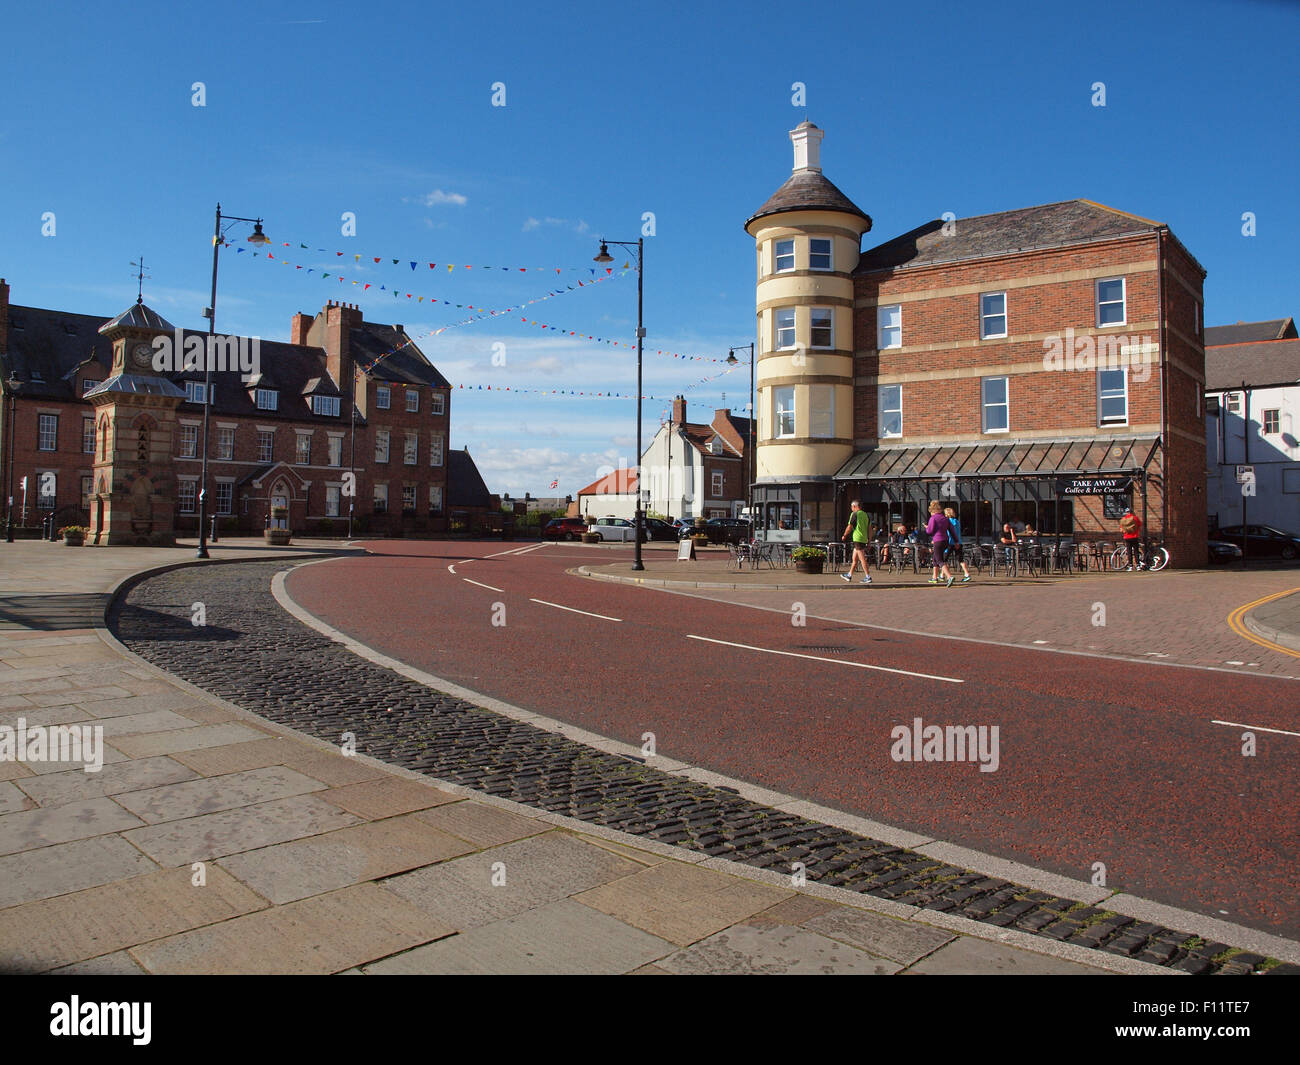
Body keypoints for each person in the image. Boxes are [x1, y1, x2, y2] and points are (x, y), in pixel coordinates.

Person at [840, 500, 873, 584]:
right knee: (854, 559)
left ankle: (868, 576)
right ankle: (849, 575)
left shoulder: (855, 514)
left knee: (862, 559)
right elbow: (869, 529)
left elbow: (850, 526)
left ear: (854, 506)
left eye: (851, 507)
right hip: (863, 539)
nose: (851, 509)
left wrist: (844, 535)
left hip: (857, 538)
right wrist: (869, 541)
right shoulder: (866, 515)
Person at [925, 501, 956, 587]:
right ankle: (934, 578)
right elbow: (952, 531)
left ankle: (949, 576)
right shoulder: (945, 518)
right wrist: (956, 541)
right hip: (946, 540)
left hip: (937, 540)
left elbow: (930, 531)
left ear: (932, 511)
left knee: (939, 560)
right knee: (935, 558)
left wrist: (927, 528)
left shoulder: (933, 518)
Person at [943, 506, 973, 582]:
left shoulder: (946, 522)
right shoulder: (957, 522)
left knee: (944, 560)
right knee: (960, 560)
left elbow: (947, 532)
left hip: (949, 542)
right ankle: (967, 574)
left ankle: (944, 575)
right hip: (958, 542)